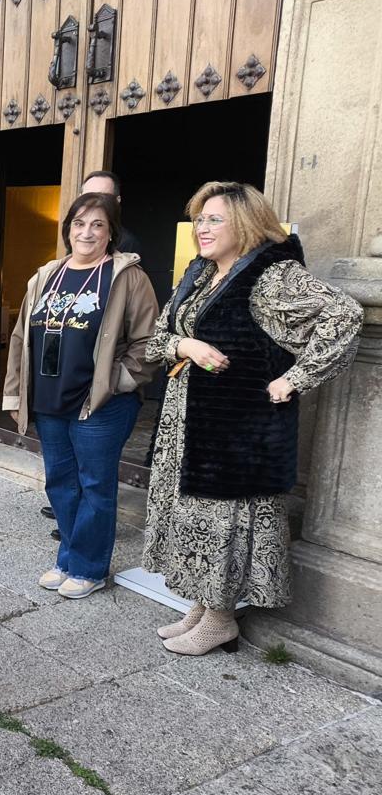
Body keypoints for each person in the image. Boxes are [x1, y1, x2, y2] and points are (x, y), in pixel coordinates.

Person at [142, 182, 362, 656]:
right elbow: (158, 339)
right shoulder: (199, 275)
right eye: (200, 218)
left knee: (224, 521)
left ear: (244, 223)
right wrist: (188, 345)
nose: (202, 228)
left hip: (236, 432)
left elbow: (343, 315)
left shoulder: (273, 275)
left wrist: (297, 378)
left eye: (214, 219)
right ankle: (203, 606)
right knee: (193, 518)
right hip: (187, 422)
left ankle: (221, 620)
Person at [3, 192, 159, 599]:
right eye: (79, 223)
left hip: (100, 404)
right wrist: (18, 392)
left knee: (94, 484)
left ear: (111, 234)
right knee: (60, 482)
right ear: (68, 229)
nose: (86, 232)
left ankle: (90, 568)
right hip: (50, 400)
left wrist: (117, 381)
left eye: (98, 225)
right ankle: (68, 557)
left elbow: (148, 343)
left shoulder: (126, 277)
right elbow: (22, 336)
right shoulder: (47, 274)